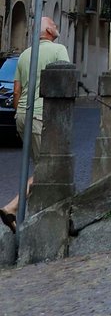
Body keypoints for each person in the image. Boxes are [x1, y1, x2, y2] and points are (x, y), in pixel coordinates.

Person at [1, 16, 69, 231]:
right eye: (54, 24)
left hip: (22, 115)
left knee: (40, 165)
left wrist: (20, 113)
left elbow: (17, 92)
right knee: (47, 168)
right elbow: (66, 83)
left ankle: (32, 213)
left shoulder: (24, 54)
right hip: (43, 115)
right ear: (48, 29)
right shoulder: (59, 51)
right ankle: (13, 207)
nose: (56, 27)